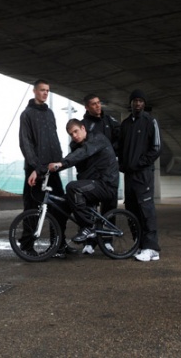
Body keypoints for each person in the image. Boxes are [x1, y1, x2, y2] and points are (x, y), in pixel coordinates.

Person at [47, 119, 119, 243]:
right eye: (71, 134)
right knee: (59, 206)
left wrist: (61, 163)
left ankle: (88, 227)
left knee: (72, 187)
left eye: (76, 131)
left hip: (106, 184)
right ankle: (58, 246)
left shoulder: (97, 139)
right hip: (90, 186)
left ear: (83, 128)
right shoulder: (75, 146)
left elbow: (83, 153)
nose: (74, 136)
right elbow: (72, 159)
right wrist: (42, 171)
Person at [18, 79, 67, 256]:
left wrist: (59, 161)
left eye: (47, 90)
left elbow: (54, 139)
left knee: (60, 206)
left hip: (52, 169)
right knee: (32, 209)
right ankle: (27, 246)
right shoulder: (27, 114)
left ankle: (59, 244)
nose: (45, 93)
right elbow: (26, 143)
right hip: (35, 170)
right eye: (42, 90)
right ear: (34, 91)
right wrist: (35, 167)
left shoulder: (50, 113)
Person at [118, 89, 162, 262]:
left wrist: (140, 162)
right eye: (134, 100)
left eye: (140, 101)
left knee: (146, 211)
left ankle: (152, 249)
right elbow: (120, 147)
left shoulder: (150, 121)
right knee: (132, 210)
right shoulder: (125, 124)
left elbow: (157, 148)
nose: (137, 103)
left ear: (144, 103)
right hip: (129, 176)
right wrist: (123, 164)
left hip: (143, 174)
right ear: (130, 103)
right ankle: (140, 245)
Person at [80, 94, 121, 254]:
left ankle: (108, 241)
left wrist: (110, 151)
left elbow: (121, 139)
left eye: (98, 103)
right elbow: (76, 147)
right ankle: (89, 243)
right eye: (93, 104)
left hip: (108, 174)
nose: (98, 106)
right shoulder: (83, 125)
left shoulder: (110, 121)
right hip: (89, 174)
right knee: (89, 209)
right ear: (87, 107)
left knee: (109, 208)